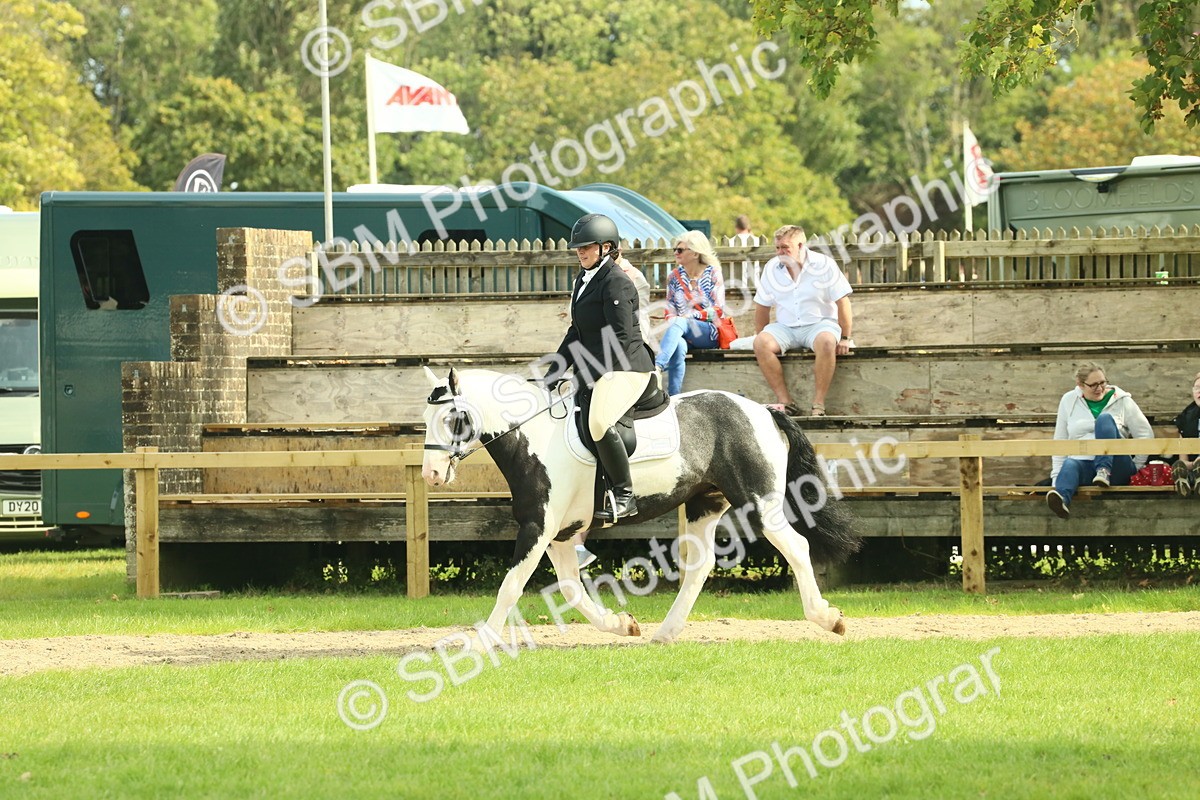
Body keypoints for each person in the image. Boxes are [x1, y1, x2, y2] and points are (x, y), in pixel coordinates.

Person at [550, 213, 658, 524]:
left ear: (606, 247)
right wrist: (555, 371)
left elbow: (622, 338)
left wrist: (590, 372)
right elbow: (577, 332)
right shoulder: (582, 281)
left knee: (598, 421)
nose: (580, 252)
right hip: (604, 365)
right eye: (577, 248)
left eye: (586, 247)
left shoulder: (616, 282)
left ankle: (625, 495)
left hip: (628, 367)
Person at [751, 225, 854, 416]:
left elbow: (843, 301)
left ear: (800, 245)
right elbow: (762, 307)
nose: (780, 252)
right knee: (760, 343)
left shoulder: (824, 264)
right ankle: (785, 402)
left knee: (826, 341)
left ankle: (818, 404)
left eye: (785, 248)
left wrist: (846, 337)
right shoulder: (771, 268)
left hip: (819, 323)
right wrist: (760, 334)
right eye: (777, 248)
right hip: (786, 327)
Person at [1045, 362, 1155, 519]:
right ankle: (1062, 499)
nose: (1099, 388)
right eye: (1093, 385)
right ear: (1080, 385)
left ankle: (1104, 469)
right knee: (1070, 463)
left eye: (1102, 383)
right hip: (1085, 465)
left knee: (1104, 420)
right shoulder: (1068, 400)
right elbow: (1061, 440)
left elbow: (1145, 434)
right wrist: (1056, 479)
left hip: (1116, 467)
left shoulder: (1122, 401)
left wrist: (1136, 467)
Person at [654, 231, 726, 396]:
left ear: (695, 253)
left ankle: (657, 367)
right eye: (675, 249)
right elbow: (669, 309)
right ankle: (674, 397)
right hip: (681, 332)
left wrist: (688, 318)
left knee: (680, 322)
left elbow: (718, 310)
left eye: (680, 250)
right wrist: (676, 320)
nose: (675, 253)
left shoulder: (713, 273)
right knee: (678, 346)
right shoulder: (674, 276)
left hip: (708, 332)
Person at [1170, 371, 1200, 497]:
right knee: (1180, 466)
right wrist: (1193, 464)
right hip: (1194, 467)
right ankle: (1187, 480)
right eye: (1197, 388)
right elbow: (1183, 460)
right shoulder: (1187, 418)